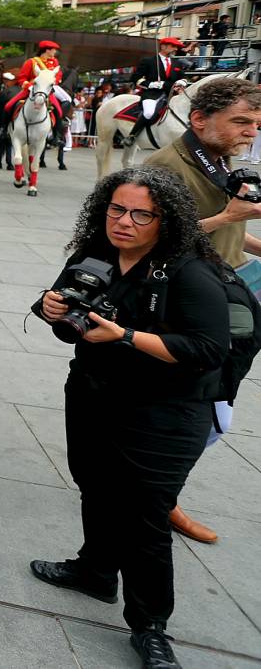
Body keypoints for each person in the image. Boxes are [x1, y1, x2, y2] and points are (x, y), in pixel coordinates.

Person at [30, 166, 232, 669]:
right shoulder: (93, 255)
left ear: (167, 220)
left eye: (142, 214)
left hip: (166, 413)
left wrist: (124, 337)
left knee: (144, 516)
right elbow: (70, 328)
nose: (125, 221)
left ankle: (150, 626)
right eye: (116, 209)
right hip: (95, 395)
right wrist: (50, 308)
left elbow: (208, 349)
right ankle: (95, 572)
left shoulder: (189, 270)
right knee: (94, 484)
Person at [145, 76, 261, 545]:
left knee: (210, 412)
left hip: (226, 286)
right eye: (240, 122)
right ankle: (158, 494)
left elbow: (224, 234)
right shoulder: (164, 166)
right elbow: (151, 238)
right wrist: (231, 217)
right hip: (189, 300)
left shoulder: (220, 160)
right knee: (215, 418)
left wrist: (251, 239)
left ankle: (157, 488)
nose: (251, 132)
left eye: (255, 124)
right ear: (199, 119)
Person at [123, 38, 186, 150]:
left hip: (171, 95)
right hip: (152, 94)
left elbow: (183, 78)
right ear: (163, 46)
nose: (175, 49)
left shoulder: (177, 63)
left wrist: (182, 82)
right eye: (173, 46)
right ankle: (132, 135)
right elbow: (135, 78)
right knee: (148, 113)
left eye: (176, 47)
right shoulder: (149, 61)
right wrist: (151, 84)